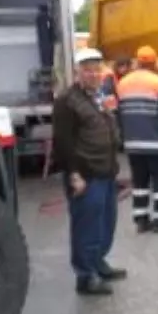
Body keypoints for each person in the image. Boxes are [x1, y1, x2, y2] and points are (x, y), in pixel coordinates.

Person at [51, 48, 128, 295]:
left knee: (106, 224)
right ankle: (85, 276)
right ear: (77, 72)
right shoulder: (67, 101)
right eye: (87, 70)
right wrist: (74, 174)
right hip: (86, 175)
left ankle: (98, 263)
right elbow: (63, 141)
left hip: (105, 172)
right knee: (87, 227)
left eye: (96, 69)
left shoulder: (99, 96)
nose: (93, 74)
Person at [115, 45, 158, 234]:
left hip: (133, 144)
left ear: (137, 62)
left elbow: (118, 112)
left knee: (139, 183)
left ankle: (141, 221)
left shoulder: (123, 83)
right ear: (154, 63)